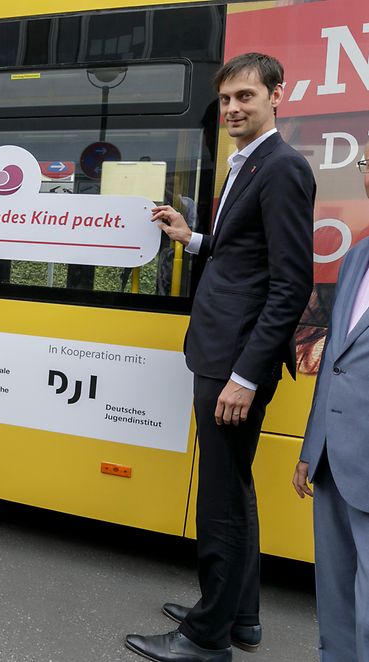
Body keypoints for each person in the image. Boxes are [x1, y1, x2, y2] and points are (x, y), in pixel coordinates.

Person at [125, 52, 315, 662]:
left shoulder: (281, 166)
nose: (233, 108)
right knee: (232, 487)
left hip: (236, 359)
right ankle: (240, 615)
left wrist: (244, 375)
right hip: (224, 350)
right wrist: (194, 238)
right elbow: (245, 253)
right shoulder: (250, 163)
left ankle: (206, 637)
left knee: (220, 498)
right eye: (227, 99)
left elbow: (290, 285)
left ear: (277, 96)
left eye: (246, 97)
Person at [293, 144, 369, 661]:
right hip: (334, 461)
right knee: (338, 601)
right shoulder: (356, 254)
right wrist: (309, 448)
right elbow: (335, 360)